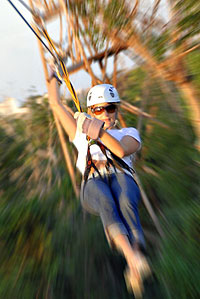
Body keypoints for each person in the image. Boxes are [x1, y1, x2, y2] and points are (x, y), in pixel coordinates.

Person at [49, 79, 151, 297]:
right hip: (93, 184)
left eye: (110, 108)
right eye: (99, 109)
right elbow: (56, 104)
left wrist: (99, 133)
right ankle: (132, 257)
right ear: (91, 111)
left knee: (123, 197)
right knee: (106, 199)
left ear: (116, 109)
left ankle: (135, 260)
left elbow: (122, 152)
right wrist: (53, 78)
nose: (105, 114)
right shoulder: (80, 133)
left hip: (122, 178)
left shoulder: (129, 133)